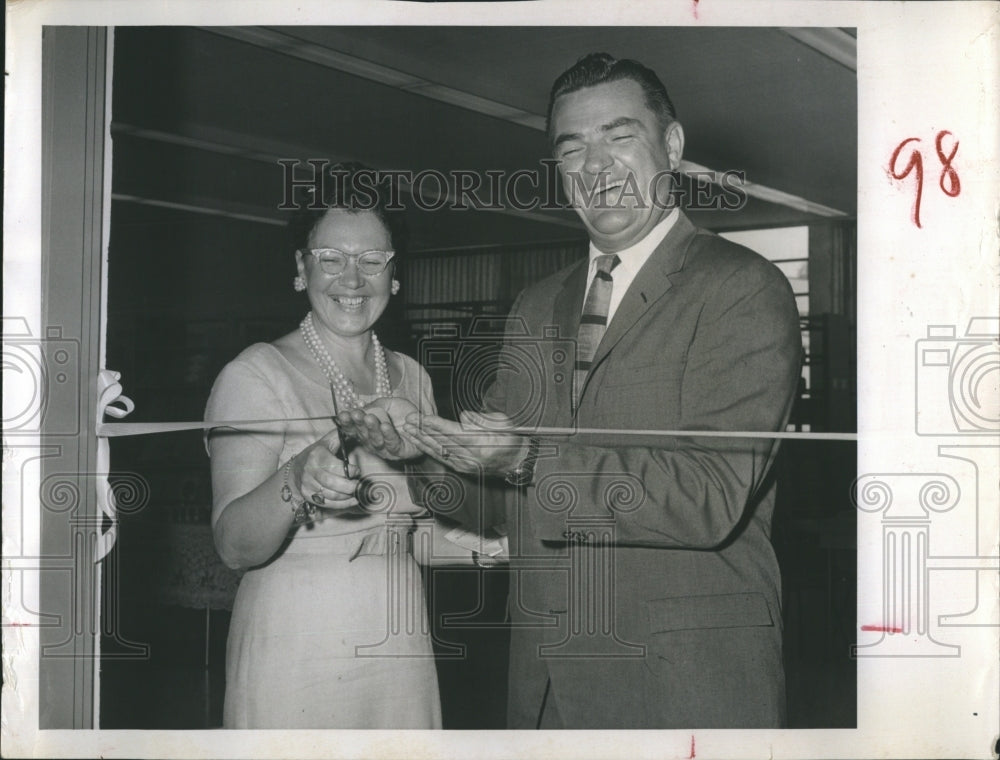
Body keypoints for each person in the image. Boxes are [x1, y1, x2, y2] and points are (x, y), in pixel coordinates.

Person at [398, 53, 803, 728]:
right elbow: (497, 508)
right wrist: (420, 445)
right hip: (548, 686)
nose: (596, 167)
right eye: (572, 149)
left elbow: (709, 495)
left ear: (671, 146)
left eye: (619, 138)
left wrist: (525, 460)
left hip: (684, 688)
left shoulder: (743, 289)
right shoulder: (535, 306)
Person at [204, 164, 442, 729]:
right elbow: (234, 546)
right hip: (296, 649)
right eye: (330, 258)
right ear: (300, 268)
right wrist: (297, 478)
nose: (352, 279)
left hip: (399, 645)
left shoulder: (412, 378)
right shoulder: (255, 374)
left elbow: (419, 537)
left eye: (371, 261)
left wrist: (505, 539)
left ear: (394, 273)